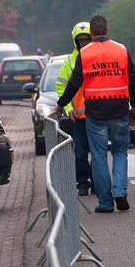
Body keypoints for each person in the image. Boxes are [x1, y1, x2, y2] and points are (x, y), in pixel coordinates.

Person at [54, 15, 135, 214]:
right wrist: (134, 108)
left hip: (95, 115)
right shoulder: (121, 50)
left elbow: (74, 83)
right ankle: (120, 191)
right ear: (107, 31)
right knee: (119, 152)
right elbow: (133, 80)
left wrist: (61, 105)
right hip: (119, 111)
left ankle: (106, 203)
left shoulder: (84, 54)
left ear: (91, 34)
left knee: (99, 156)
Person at [55, 22, 93, 196]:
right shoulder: (70, 62)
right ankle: (83, 183)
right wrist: (68, 107)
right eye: (81, 41)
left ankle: (98, 182)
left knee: (98, 152)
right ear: (75, 42)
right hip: (79, 117)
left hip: (96, 115)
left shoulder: (96, 56)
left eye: (87, 40)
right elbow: (61, 87)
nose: (84, 43)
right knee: (80, 152)